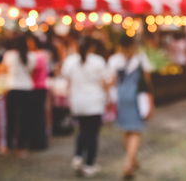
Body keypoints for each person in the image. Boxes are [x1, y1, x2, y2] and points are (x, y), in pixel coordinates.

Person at [108, 34, 154, 180]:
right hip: (137, 97)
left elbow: (112, 81)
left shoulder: (114, 60)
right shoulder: (141, 58)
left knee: (127, 129)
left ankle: (133, 160)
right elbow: (147, 80)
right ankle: (128, 162)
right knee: (136, 130)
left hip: (121, 96)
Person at [61, 37, 108, 177]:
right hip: (94, 102)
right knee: (92, 133)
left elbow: (67, 83)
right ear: (92, 47)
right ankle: (89, 164)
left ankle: (78, 156)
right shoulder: (98, 61)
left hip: (78, 101)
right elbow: (104, 82)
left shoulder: (70, 61)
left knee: (82, 130)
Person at [1, 34, 37, 156]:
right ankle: (22, 146)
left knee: (11, 118)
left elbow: (4, 70)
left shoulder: (9, 55)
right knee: (25, 119)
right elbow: (31, 72)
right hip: (26, 89)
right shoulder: (31, 56)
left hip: (12, 89)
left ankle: (9, 144)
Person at [27, 33, 50, 150]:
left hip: (38, 88)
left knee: (38, 115)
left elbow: (33, 70)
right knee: (37, 115)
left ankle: (39, 140)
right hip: (38, 87)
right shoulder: (40, 55)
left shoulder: (38, 55)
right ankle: (38, 139)